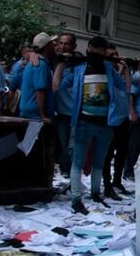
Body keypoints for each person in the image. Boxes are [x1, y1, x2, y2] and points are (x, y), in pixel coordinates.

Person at [56, 36, 130, 214]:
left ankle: (96, 194)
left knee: (99, 162)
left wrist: (125, 69)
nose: (97, 52)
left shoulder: (109, 70)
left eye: (100, 49)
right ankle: (76, 198)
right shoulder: (79, 68)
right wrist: (60, 64)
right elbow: (57, 85)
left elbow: (125, 88)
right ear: (89, 48)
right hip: (83, 123)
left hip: (105, 124)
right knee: (78, 162)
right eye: (94, 48)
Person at [101, 44, 131, 199]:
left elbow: (127, 88)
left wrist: (125, 70)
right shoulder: (105, 71)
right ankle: (107, 186)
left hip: (123, 118)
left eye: (116, 54)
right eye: (111, 55)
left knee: (122, 153)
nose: (115, 57)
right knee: (108, 155)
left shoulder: (117, 72)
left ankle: (117, 180)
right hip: (110, 120)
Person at [52, 33, 79, 177]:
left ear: (73, 46)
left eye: (66, 43)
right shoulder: (53, 60)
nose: (63, 46)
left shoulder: (79, 64)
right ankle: (65, 171)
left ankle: (72, 174)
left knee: (71, 147)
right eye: (60, 43)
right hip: (59, 112)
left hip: (74, 112)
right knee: (62, 145)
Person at [19, 32, 55, 122]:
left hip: (30, 111)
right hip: (35, 114)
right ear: (47, 46)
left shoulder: (34, 62)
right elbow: (40, 91)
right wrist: (43, 116)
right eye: (51, 43)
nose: (54, 45)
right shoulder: (40, 65)